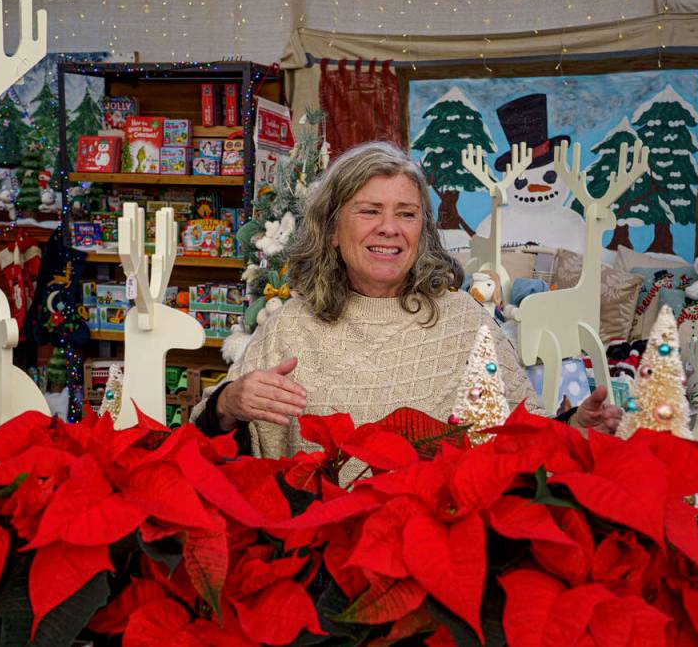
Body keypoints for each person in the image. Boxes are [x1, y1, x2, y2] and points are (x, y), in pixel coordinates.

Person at [191, 141, 621, 459]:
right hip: (317, 543)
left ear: (423, 231)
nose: (390, 228)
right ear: (332, 230)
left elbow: (524, 435)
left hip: (439, 539)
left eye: (406, 213)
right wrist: (228, 404)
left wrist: (576, 427)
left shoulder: (464, 321)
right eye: (369, 210)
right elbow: (204, 438)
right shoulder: (290, 325)